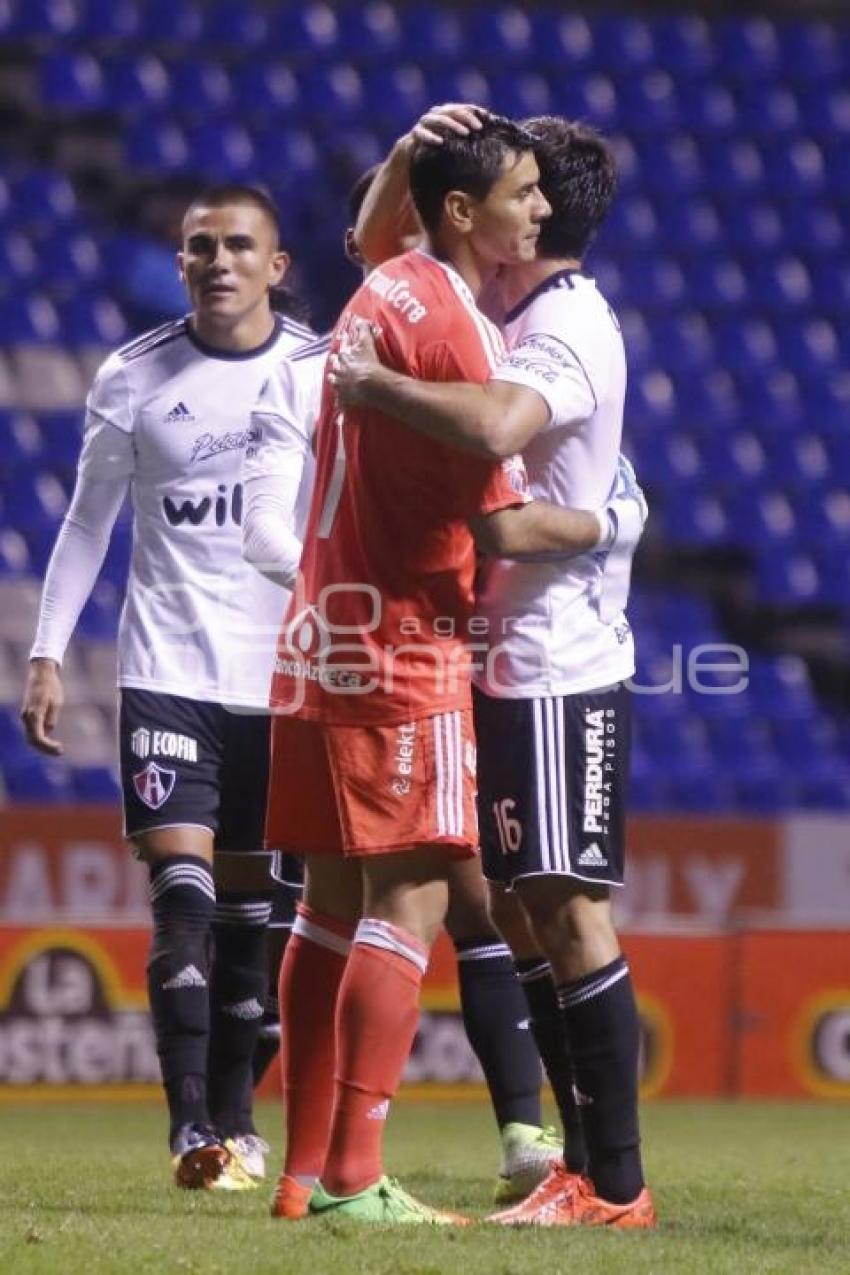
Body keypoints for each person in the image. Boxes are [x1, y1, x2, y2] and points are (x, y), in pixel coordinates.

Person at [262, 114, 639, 1227]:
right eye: (516, 191)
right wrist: (611, 517)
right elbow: (506, 515)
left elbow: (379, 232)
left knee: (326, 902)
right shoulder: (464, 333)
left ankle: (299, 1175)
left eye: (538, 190)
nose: (535, 208)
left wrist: (398, 154)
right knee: (419, 891)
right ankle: (354, 1175)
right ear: (471, 213)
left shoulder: (392, 291)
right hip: (406, 637)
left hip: (320, 625)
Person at [21, 184, 327, 1192]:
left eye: (241, 245)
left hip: (281, 684)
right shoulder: (135, 376)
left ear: (276, 266)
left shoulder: (318, 373)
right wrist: (46, 652)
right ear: (182, 262)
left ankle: (238, 1125)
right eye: (202, 247)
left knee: (255, 933)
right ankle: (191, 1126)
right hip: (169, 675)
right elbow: (86, 523)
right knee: (183, 902)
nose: (220, 262)